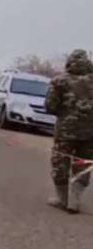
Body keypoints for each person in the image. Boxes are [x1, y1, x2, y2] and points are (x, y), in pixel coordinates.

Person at [45, 49, 93, 214]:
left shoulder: (60, 81)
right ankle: (75, 199)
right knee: (84, 163)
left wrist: (64, 112)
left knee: (60, 162)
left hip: (65, 131)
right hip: (90, 132)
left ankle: (62, 198)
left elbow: (50, 106)